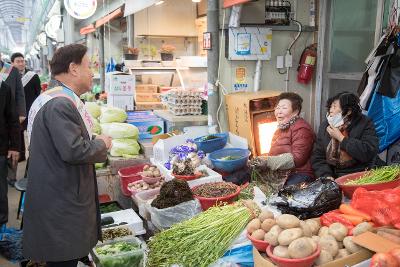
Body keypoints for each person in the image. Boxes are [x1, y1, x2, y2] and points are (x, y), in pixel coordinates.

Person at [23, 44, 112, 267]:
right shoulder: (60, 104)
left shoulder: (56, 98)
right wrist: (101, 143)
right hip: (61, 204)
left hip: (59, 196)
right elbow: (74, 150)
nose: (93, 72)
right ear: (73, 69)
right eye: (89, 65)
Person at [249, 92, 315, 189]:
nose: (279, 111)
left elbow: (298, 158)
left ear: (295, 111)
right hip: (281, 171)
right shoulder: (282, 127)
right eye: (278, 108)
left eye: (284, 108)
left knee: (283, 193)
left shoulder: (302, 129)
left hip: (299, 173)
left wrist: (268, 161)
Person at [311, 92, 380, 179]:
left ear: (348, 111)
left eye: (334, 107)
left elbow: (368, 151)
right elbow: (318, 157)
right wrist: (326, 175)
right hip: (333, 176)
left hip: (360, 175)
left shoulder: (364, 123)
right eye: (330, 107)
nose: (330, 110)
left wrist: (341, 138)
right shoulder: (326, 125)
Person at [11, 52, 41, 163]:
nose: (21, 63)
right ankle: (21, 155)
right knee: (17, 133)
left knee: (33, 132)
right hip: (16, 111)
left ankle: (35, 155)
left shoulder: (33, 76)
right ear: (12, 63)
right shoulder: (7, 76)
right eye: (18, 61)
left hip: (31, 109)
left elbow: (38, 93)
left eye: (22, 61)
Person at [1, 52, 26, 185]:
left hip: (12, 114)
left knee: (14, 145)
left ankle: (12, 176)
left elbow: (19, 93)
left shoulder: (12, 70)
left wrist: (21, 113)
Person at [0, 80, 20, 228]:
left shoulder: (4, 88)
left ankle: (1, 230)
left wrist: (14, 146)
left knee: (0, 191)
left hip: (0, 148)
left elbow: (12, 119)